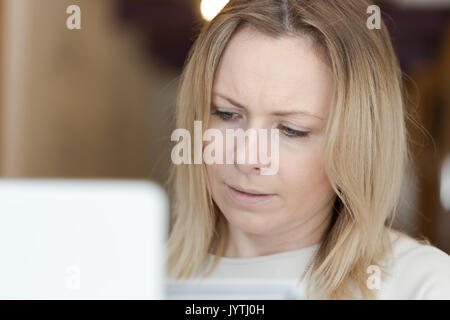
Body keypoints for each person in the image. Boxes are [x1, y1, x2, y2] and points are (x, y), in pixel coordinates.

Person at [165, 0, 450, 299]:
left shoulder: (425, 286)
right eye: (225, 113)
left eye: (292, 130)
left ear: (357, 144)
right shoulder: (136, 278)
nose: (247, 157)